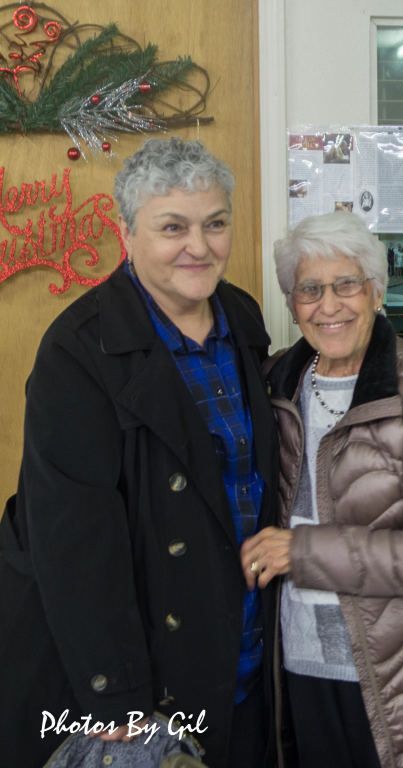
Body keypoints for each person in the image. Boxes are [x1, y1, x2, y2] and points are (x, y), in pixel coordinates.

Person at [0, 138, 277, 766]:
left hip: (241, 638)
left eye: (215, 224)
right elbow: (73, 539)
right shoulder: (78, 349)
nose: (199, 247)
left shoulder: (242, 316)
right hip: (142, 664)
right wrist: (117, 698)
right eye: (172, 227)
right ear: (126, 233)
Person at [240, 211, 403, 768]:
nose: (329, 305)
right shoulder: (275, 384)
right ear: (292, 301)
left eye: (346, 284)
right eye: (309, 289)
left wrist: (301, 551)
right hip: (295, 663)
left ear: (376, 292)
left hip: (395, 674)